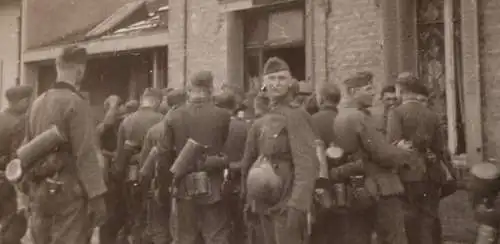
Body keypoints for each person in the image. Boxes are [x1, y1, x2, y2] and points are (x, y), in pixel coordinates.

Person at [22, 45, 107, 244]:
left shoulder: (37, 103)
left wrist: (28, 189)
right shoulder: (76, 103)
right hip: (68, 191)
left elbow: (26, 147)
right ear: (80, 70)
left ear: (57, 66)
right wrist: (97, 197)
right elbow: (86, 154)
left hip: (40, 189)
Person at [241, 57, 319, 244]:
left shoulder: (296, 116)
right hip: (263, 201)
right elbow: (250, 160)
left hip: (286, 202)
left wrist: (297, 205)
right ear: (264, 83)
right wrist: (249, 198)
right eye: (272, 78)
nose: (276, 84)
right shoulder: (264, 118)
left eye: (282, 79)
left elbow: (306, 165)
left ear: (291, 82)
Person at [331, 71, 410, 244]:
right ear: (353, 91)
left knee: (359, 236)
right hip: (380, 187)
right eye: (368, 88)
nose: (374, 92)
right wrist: (402, 151)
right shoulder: (360, 117)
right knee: (393, 237)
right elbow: (381, 153)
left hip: (357, 188)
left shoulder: (341, 116)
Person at [156, 71, 232, 244]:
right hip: (214, 186)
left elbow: (163, 155)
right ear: (211, 89)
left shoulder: (173, 116)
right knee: (216, 236)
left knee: (185, 238)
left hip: (183, 186)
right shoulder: (223, 116)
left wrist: (164, 187)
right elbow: (229, 152)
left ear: (189, 89)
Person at [387, 72, 450, 244]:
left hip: (408, 175)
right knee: (428, 219)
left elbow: (393, 144)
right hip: (431, 173)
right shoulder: (432, 114)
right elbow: (439, 148)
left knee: (410, 220)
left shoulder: (396, 113)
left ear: (401, 90)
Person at [115, 88, 164, 243]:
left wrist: (119, 176)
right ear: (157, 101)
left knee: (136, 215)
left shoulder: (127, 120)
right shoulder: (162, 119)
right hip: (154, 173)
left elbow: (120, 155)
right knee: (155, 216)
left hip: (131, 173)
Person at [138, 88, 186, 244]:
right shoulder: (190, 125)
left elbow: (145, 166)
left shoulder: (154, 130)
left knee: (160, 230)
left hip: (159, 184)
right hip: (185, 186)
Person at [0, 85, 33, 244]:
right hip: (8, 182)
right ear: (22, 101)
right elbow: (18, 158)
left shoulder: (1, 118)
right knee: (12, 224)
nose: (29, 104)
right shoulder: (19, 123)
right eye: (28, 101)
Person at [309, 81, 341, 244]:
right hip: (344, 182)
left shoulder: (312, 120)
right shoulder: (343, 119)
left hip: (320, 182)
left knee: (320, 232)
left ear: (321, 99)